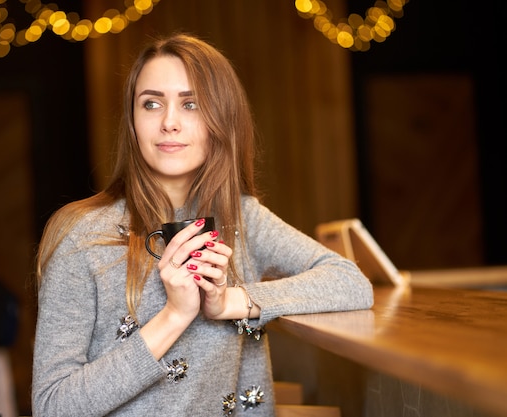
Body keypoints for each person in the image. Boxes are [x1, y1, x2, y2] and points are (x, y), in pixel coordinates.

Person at [32, 33, 373, 416]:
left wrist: (233, 301)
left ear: (220, 120)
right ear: (132, 121)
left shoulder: (243, 220)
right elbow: (52, 406)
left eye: (190, 104)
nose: (169, 123)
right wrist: (173, 316)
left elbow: (350, 282)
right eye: (151, 104)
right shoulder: (83, 236)